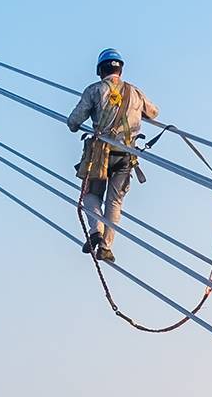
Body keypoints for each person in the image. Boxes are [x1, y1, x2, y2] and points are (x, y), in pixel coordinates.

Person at [66, 50, 158, 262]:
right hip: (126, 154)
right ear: (121, 69)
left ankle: (95, 231)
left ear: (100, 70)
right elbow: (154, 112)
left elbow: (73, 122)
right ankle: (106, 247)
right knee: (114, 202)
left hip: (100, 154)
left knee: (91, 193)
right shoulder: (135, 92)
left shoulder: (94, 91)